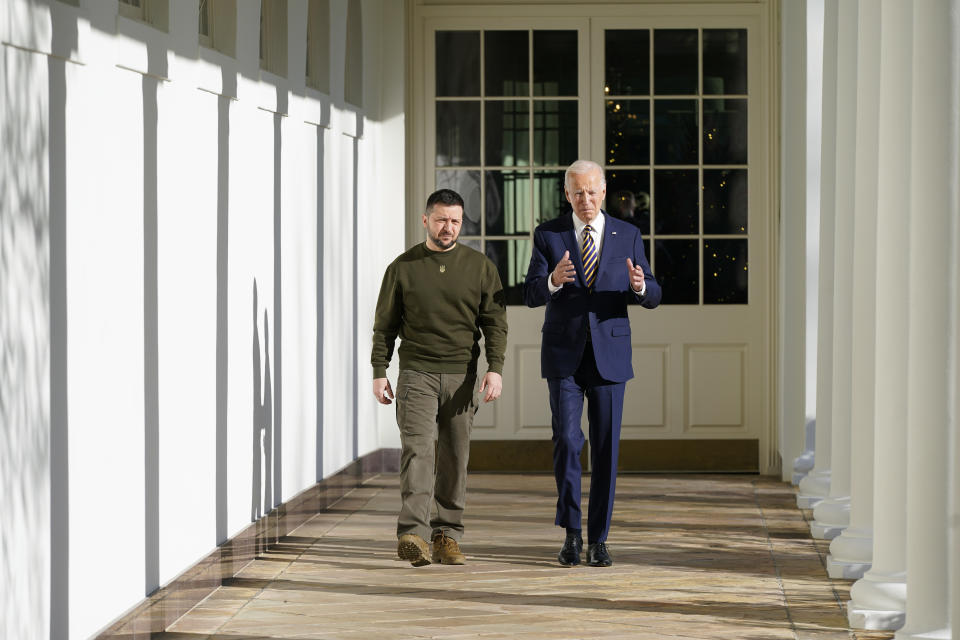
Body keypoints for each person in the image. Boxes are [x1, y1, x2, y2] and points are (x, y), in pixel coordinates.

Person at [523, 160, 662, 567]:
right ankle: (571, 533)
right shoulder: (549, 234)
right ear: (567, 195)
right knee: (567, 442)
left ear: (604, 192)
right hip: (564, 355)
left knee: (606, 448)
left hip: (610, 356)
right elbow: (531, 293)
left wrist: (639, 286)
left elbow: (653, 292)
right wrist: (552, 281)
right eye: (577, 193)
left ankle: (599, 539)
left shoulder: (628, 234)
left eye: (592, 191)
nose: (585, 200)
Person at [372, 189, 508, 567]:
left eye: (455, 221)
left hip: (463, 377)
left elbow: (495, 324)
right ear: (425, 220)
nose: (448, 228)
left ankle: (447, 535)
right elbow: (384, 326)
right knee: (418, 451)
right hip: (416, 374)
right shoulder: (403, 267)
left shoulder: (480, 267)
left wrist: (495, 368)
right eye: (441, 220)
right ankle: (412, 534)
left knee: (454, 458)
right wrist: (379, 371)